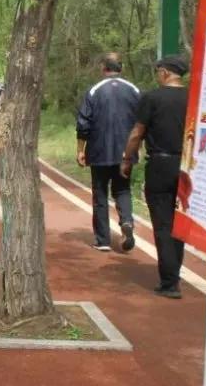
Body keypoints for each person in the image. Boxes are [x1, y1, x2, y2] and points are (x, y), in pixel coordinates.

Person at [121, 55, 190, 298]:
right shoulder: (192, 98)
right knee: (180, 221)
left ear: (165, 73)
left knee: (162, 223)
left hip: (160, 164)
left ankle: (169, 282)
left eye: (158, 71)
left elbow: (137, 132)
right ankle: (174, 272)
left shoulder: (152, 98)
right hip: (186, 166)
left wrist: (127, 159)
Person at [76, 53, 140, 252]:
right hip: (126, 151)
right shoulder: (134, 90)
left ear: (103, 68)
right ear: (121, 68)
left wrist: (80, 150)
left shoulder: (94, 91)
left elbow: (83, 123)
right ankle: (126, 221)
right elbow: (142, 121)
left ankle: (103, 239)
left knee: (100, 193)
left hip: (99, 150)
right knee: (123, 189)